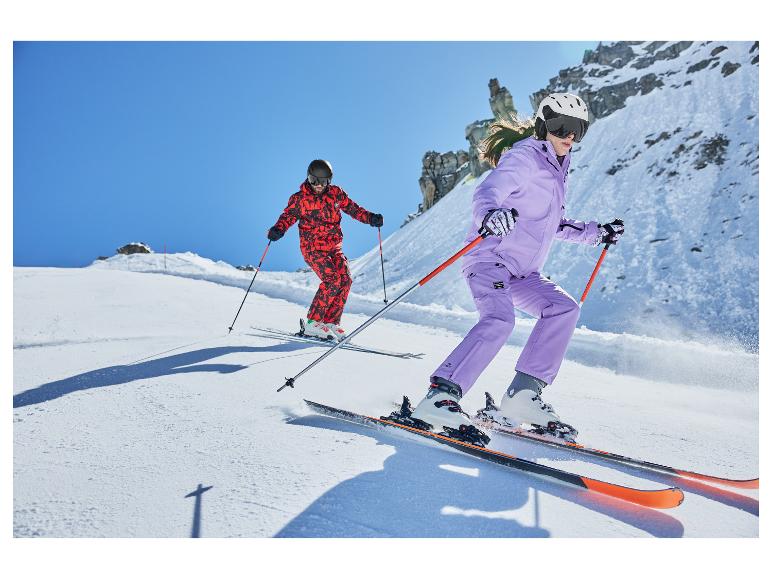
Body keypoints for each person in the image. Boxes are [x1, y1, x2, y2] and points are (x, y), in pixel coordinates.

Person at [410, 93, 625, 443]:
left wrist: (596, 232)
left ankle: (522, 397)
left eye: (578, 130)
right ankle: (441, 396)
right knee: (499, 320)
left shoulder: (557, 171)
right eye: (561, 126)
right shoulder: (524, 157)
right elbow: (486, 193)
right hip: (490, 260)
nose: (569, 135)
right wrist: (491, 216)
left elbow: (552, 223)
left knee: (564, 308)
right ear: (543, 125)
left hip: (524, 273)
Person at [267, 160, 383, 341]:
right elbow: (288, 216)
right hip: (312, 247)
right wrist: (278, 229)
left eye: (323, 181)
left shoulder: (336, 194)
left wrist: (370, 218)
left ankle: (330, 322)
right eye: (313, 180)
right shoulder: (299, 199)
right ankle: (313, 323)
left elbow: (353, 209)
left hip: (333, 247)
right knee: (332, 279)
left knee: (345, 279)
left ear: (330, 180)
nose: (318, 185)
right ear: (308, 178)